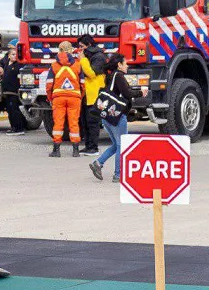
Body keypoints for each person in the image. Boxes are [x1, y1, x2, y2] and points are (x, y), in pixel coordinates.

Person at [89, 54, 144, 182]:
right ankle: (118, 175)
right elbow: (127, 93)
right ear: (119, 65)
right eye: (125, 63)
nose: (127, 65)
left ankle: (98, 163)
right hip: (117, 116)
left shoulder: (110, 76)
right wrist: (141, 92)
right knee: (122, 145)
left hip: (107, 115)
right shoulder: (118, 76)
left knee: (116, 145)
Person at [45, 41, 84, 156]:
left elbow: (49, 84)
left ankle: (56, 151)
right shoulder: (77, 64)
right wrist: (79, 96)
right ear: (71, 50)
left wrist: (50, 98)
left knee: (58, 123)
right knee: (74, 123)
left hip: (58, 97)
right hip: (74, 98)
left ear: (59, 50)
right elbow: (82, 84)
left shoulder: (54, 65)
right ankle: (75, 151)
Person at [77, 34, 107, 156]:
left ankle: (94, 148)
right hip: (86, 95)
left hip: (94, 95)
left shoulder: (99, 56)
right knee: (84, 122)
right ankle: (88, 146)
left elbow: (92, 73)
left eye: (81, 46)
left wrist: (83, 60)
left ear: (89, 45)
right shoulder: (88, 55)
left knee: (92, 123)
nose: (80, 49)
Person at [0, 48, 27, 136]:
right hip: (6, 92)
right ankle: (13, 127)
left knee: (15, 111)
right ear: (8, 56)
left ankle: (19, 129)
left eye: (16, 54)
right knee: (10, 111)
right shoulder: (6, 64)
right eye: (12, 54)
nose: (15, 56)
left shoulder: (19, 65)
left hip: (14, 92)